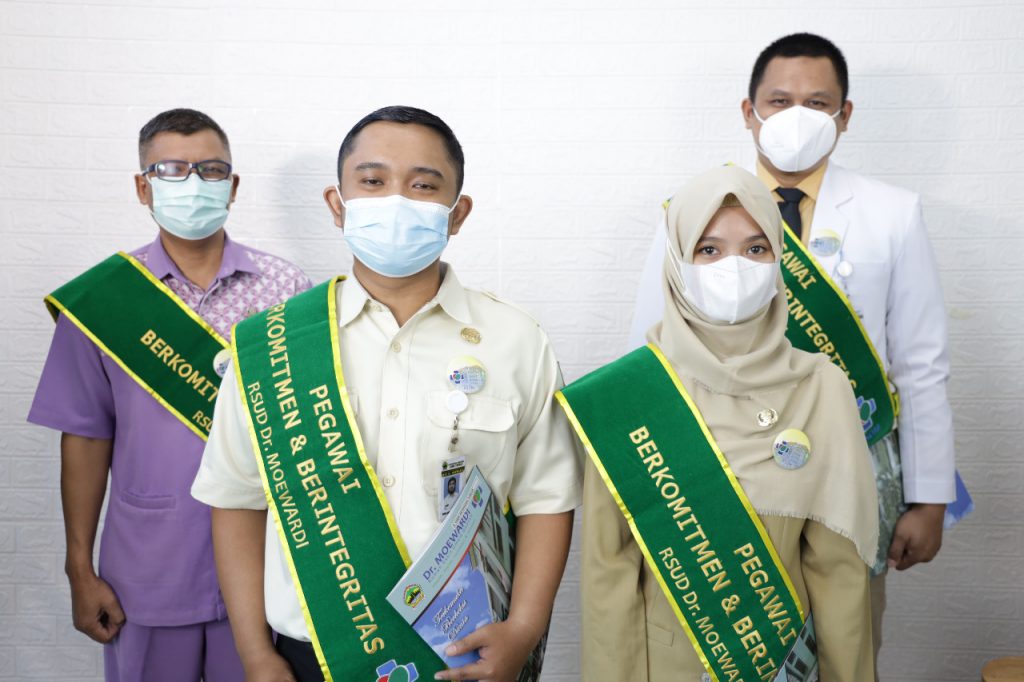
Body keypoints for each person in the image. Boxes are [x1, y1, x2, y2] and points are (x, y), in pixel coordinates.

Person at [191, 105, 582, 682]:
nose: (396, 200)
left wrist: (523, 629)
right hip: (315, 654)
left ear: (457, 213)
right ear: (337, 204)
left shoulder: (515, 341)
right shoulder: (269, 345)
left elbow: (546, 498)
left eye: (423, 185)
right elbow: (236, 501)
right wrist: (256, 654)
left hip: (466, 653)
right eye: (373, 182)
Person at [628, 33, 955, 661]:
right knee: (719, 642)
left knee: (845, 638)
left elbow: (921, 363)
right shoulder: (690, 210)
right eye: (780, 101)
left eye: (818, 103)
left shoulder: (893, 213)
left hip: (847, 468)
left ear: (845, 115)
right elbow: (649, 350)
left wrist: (930, 498)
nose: (796, 117)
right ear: (749, 112)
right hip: (719, 466)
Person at [561, 165, 878, 681]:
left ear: (779, 257)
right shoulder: (628, 395)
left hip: (781, 664)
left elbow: (839, 572)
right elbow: (607, 578)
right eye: (709, 249)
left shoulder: (822, 387)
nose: (735, 266)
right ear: (677, 261)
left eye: (756, 248)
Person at [27, 108, 312, 681]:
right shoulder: (103, 301)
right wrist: (78, 567)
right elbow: (85, 437)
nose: (194, 183)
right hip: (146, 571)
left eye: (211, 170)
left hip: (266, 569)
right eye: (172, 170)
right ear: (143, 187)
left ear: (232, 185)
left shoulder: (288, 291)